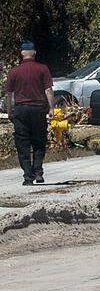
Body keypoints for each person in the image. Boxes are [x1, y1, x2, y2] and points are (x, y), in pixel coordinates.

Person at [3, 41, 55, 185]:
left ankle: (28, 176)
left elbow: (8, 95)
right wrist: (51, 108)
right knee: (39, 141)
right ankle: (38, 172)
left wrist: (9, 111)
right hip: (38, 109)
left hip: (21, 109)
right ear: (35, 52)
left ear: (21, 53)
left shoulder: (14, 71)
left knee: (22, 143)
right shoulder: (43, 69)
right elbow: (48, 90)